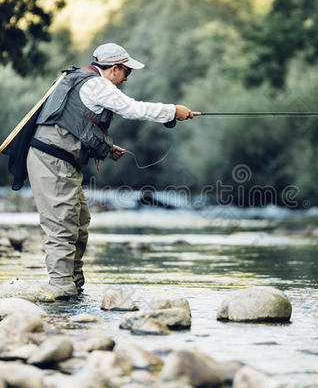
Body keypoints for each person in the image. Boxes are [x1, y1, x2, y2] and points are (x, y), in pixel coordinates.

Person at [26, 43, 199, 298]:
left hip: (59, 160)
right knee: (62, 225)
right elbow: (133, 108)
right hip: (51, 160)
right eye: (127, 73)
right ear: (114, 69)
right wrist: (173, 111)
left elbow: (75, 123)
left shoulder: (82, 80)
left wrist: (106, 147)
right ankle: (61, 290)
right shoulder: (97, 84)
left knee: (80, 221)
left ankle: (74, 286)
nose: (126, 79)